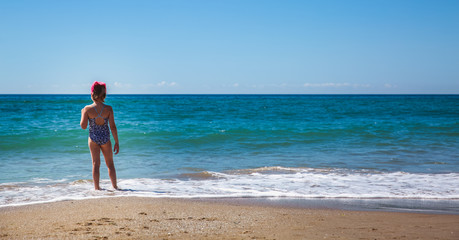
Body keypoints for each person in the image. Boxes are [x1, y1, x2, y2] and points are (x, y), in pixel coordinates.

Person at [80, 81, 119, 190]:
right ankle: (115, 187)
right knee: (110, 164)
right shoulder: (108, 109)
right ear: (104, 95)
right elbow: (113, 127)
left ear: (92, 94)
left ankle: (97, 188)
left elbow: (83, 126)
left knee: (95, 164)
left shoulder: (87, 109)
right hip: (106, 138)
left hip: (93, 139)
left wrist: (82, 113)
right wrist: (116, 142)